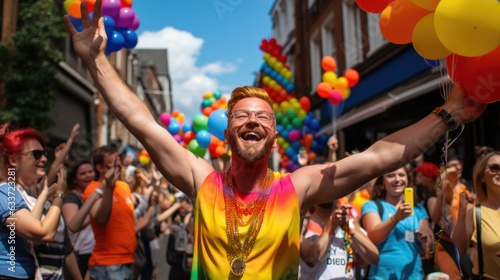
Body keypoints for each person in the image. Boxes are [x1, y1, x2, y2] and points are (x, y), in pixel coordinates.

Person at [63, 1, 486, 277]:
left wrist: (449, 114)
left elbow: (378, 158)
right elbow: (143, 124)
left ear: (273, 134)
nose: (252, 122)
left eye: (262, 118)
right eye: (242, 116)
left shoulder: (296, 186)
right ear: (228, 132)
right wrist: (96, 60)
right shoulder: (201, 180)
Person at [0, 124, 66, 279]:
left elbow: (31, 236)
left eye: (44, 153)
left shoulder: (14, 192)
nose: (44, 159)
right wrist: (60, 195)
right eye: (36, 154)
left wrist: (44, 195)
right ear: (14, 160)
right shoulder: (5, 193)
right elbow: (44, 233)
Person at [361, 167, 434, 279]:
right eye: (390, 175)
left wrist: (425, 240)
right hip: (381, 276)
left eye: (401, 175)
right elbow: (373, 236)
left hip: (413, 276)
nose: (397, 179)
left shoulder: (418, 209)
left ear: (408, 180)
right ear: (382, 182)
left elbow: (429, 244)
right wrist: (396, 218)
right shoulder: (372, 205)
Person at [82, 146, 134, 279]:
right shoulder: (92, 189)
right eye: (113, 162)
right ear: (100, 168)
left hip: (127, 261)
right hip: (107, 264)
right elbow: (101, 219)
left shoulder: (124, 186)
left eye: (119, 160)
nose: (119, 164)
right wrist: (109, 189)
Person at [299, 201, 379, 280]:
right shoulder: (303, 224)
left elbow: (373, 258)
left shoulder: (350, 223)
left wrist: (349, 230)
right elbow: (311, 261)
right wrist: (331, 227)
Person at [452, 151, 500, 280]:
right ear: (482, 177)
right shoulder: (475, 212)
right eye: (495, 168)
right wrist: (462, 213)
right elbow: (459, 249)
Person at [62, 160, 101, 278]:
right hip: (79, 256)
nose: (88, 175)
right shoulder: (71, 198)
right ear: (74, 179)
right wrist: (94, 214)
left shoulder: (93, 194)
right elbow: (71, 226)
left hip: (93, 254)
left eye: (90, 171)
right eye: (83, 174)